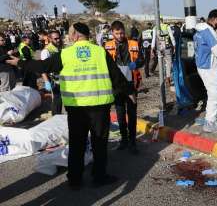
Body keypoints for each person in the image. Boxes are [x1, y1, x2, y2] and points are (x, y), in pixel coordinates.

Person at [7, 22, 133, 189]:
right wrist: (130, 92)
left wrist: (20, 63)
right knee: (99, 143)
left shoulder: (66, 54)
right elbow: (116, 76)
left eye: (70, 33)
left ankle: (75, 180)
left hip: (76, 108)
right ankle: (99, 176)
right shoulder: (100, 52)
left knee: (77, 144)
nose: (68, 36)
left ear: (75, 35)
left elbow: (42, 66)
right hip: (99, 107)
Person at [105, 21, 143, 154]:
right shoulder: (107, 45)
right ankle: (124, 140)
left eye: (121, 32)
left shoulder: (133, 43)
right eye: (117, 33)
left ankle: (133, 141)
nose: (120, 35)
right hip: (116, 85)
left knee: (132, 114)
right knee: (120, 114)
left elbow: (142, 59)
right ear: (112, 33)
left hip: (131, 83)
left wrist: (136, 63)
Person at [194, 9, 217, 133]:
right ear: (215, 19)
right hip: (209, 68)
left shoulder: (199, 30)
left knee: (214, 92)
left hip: (203, 66)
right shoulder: (207, 31)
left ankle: (213, 116)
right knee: (214, 94)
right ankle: (210, 123)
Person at [41, 30, 63, 115]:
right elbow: (42, 68)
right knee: (57, 100)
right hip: (53, 80)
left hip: (61, 78)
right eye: (55, 39)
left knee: (61, 100)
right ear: (50, 39)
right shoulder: (46, 51)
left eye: (59, 38)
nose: (58, 40)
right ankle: (55, 117)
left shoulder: (59, 48)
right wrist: (46, 81)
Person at [151, 17, 176, 87]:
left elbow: (153, 39)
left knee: (161, 62)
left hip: (159, 48)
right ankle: (168, 77)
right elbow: (171, 36)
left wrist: (152, 48)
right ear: (162, 20)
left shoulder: (155, 28)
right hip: (167, 47)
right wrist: (174, 45)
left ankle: (163, 77)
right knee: (168, 63)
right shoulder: (166, 26)